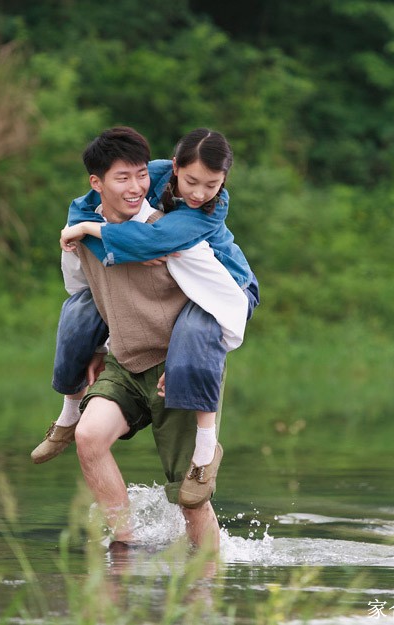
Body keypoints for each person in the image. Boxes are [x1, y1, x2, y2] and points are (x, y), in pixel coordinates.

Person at [32, 129, 259, 508]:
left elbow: (151, 241)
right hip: (140, 343)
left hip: (230, 285)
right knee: (79, 309)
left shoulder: (208, 210)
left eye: (213, 184)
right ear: (173, 167)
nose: (199, 193)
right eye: (191, 181)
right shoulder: (149, 173)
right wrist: (83, 230)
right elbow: (82, 208)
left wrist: (87, 230)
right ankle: (70, 412)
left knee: (194, 325)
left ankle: (206, 449)